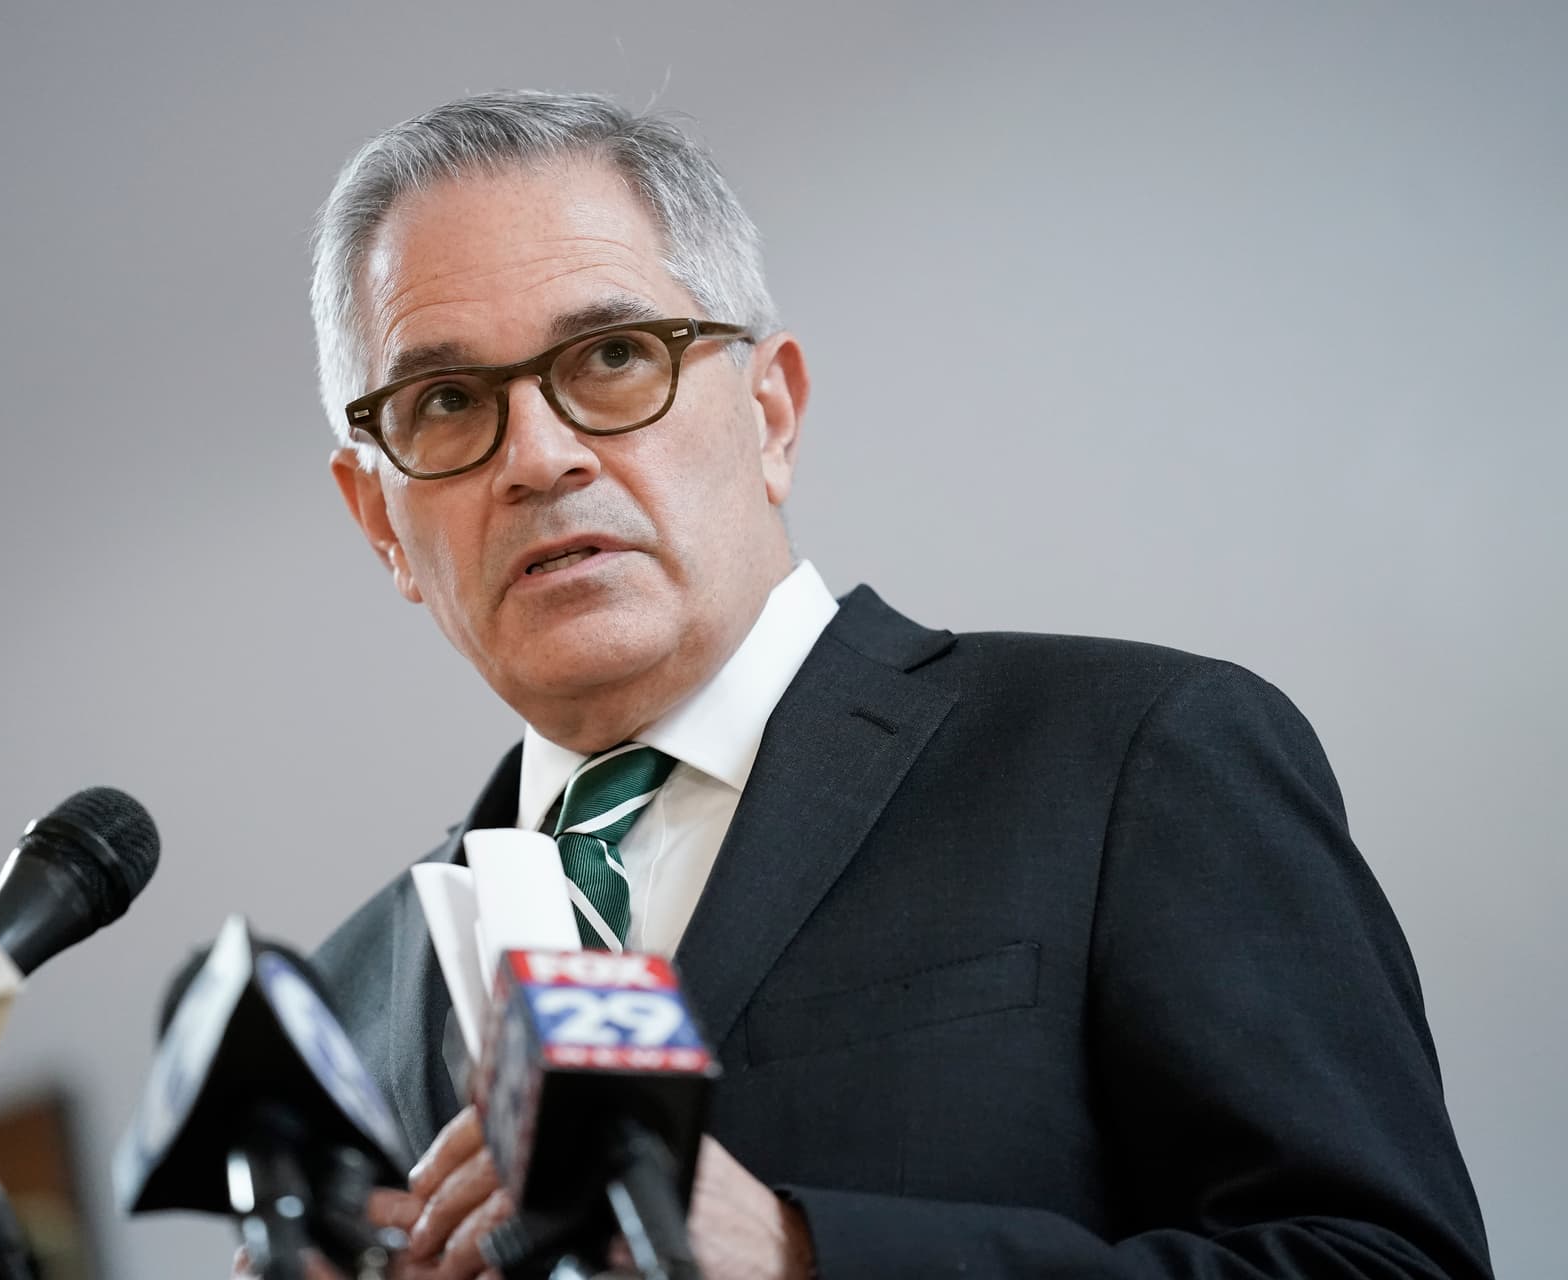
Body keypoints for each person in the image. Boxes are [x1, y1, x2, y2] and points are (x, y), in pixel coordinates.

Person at [266, 90, 1492, 1278]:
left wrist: (802, 1256)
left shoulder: (1135, 761)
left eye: (616, 354)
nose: (538, 454)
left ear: (770, 412)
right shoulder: (345, 1002)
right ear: (380, 516)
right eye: (443, 402)